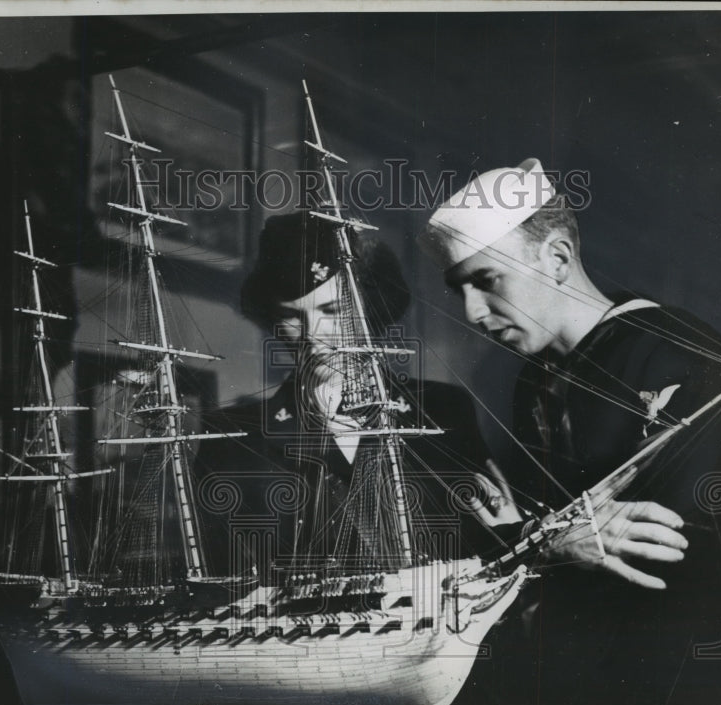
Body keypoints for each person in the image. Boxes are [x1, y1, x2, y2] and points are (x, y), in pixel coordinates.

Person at [418, 160, 721, 705]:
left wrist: (527, 536)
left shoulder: (679, 348)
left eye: (487, 280)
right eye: (459, 291)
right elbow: (565, 536)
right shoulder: (532, 378)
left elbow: (666, 538)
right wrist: (543, 535)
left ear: (557, 258)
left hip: (671, 678)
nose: (473, 313)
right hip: (569, 675)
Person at [194, 212, 509, 582]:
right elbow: (222, 579)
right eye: (292, 317)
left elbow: (488, 544)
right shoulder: (232, 439)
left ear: (371, 309)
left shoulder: (442, 409)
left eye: (333, 310)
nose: (314, 335)